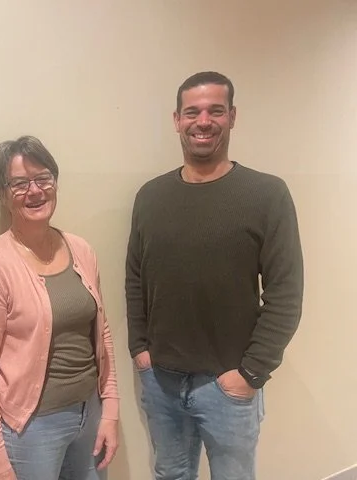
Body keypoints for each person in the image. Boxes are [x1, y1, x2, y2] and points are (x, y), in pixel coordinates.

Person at [125, 71, 304, 480]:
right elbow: (136, 278)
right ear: (177, 120)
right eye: (192, 112)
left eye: (215, 111)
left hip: (229, 386)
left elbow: (285, 294)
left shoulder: (267, 194)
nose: (203, 121)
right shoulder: (150, 196)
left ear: (232, 116)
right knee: (170, 474)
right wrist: (140, 348)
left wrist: (251, 373)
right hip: (161, 381)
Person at [0, 136, 119, 480]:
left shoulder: (81, 250)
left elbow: (102, 334)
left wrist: (110, 409)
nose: (34, 191)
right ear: (2, 194)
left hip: (90, 414)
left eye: (43, 178)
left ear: (55, 182)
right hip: (31, 429)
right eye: (19, 184)